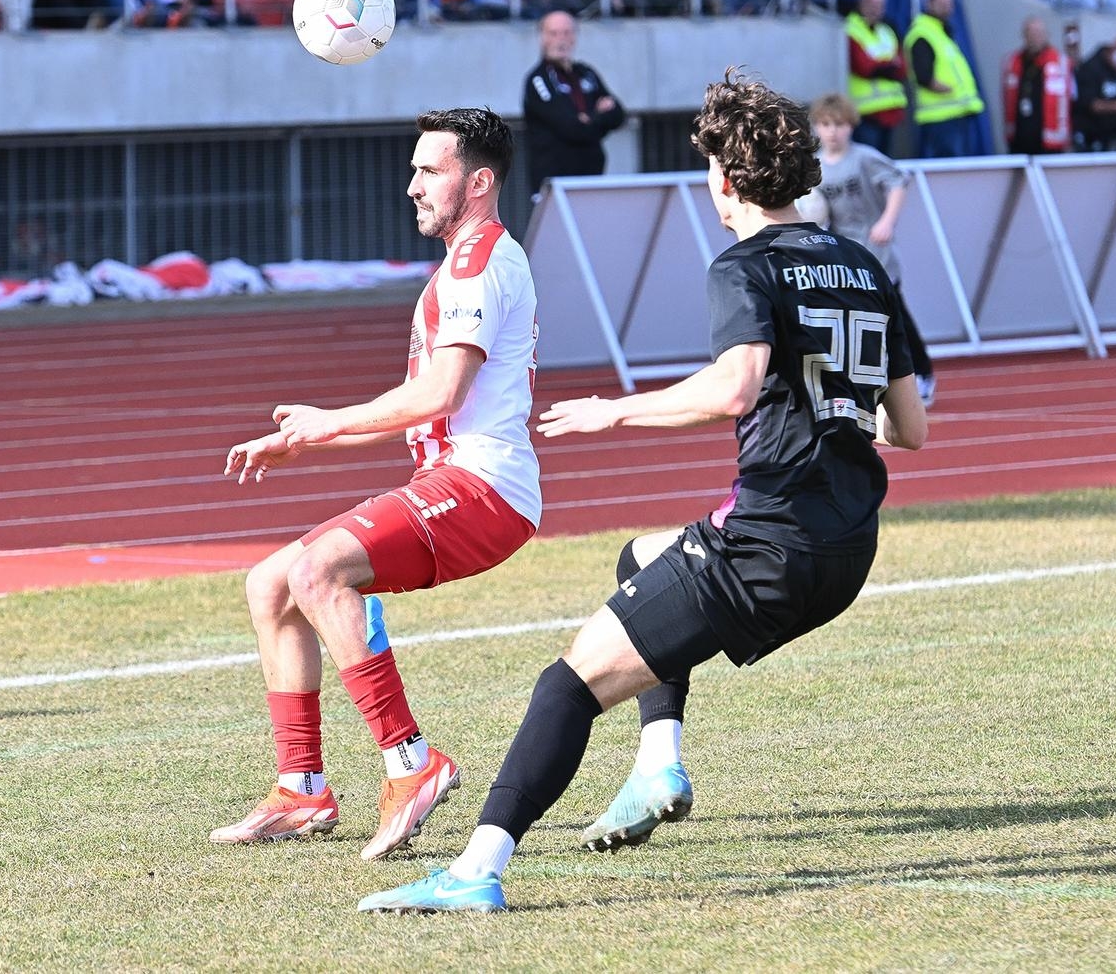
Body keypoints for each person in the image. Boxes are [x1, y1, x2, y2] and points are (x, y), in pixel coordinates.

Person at [358, 69, 928, 914]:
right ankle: (658, 762)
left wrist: (613, 411)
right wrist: (831, 407)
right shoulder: (862, 265)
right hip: (849, 549)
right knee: (642, 557)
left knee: (565, 687)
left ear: (726, 179)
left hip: (771, 543)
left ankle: (475, 872)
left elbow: (735, 387)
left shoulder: (744, 266)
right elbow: (908, 428)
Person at [210, 107, 542, 863]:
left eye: (430, 171)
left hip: (486, 487)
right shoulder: (465, 262)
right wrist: (308, 438)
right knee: (271, 585)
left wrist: (328, 422)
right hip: (456, 479)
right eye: (414, 170)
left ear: (478, 182)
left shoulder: (479, 263)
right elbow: (421, 405)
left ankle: (411, 763)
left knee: (316, 572)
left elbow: (442, 393)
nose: (412, 186)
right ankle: (301, 788)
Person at [810, 93, 936, 406]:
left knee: (893, 314)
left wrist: (887, 221)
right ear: (816, 127)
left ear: (851, 126)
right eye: (826, 124)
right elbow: (809, 206)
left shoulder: (864, 158)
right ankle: (857, 382)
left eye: (839, 124)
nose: (832, 131)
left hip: (875, 249)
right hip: (842, 252)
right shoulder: (813, 166)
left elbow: (898, 181)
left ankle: (922, 372)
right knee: (848, 317)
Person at [522, 9, 625, 200]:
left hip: (592, 181)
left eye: (567, 32)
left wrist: (588, 119)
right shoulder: (539, 80)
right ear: (542, 38)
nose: (561, 39)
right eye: (554, 33)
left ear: (575, 37)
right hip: (554, 186)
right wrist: (597, 115)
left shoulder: (586, 73)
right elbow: (571, 127)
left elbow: (618, 115)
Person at [902, 0, 985, 158]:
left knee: (962, 165)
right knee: (950, 165)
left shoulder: (941, 31)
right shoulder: (922, 33)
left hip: (957, 113)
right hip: (940, 116)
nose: (946, 7)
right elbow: (922, 75)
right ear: (928, 3)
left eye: (949, 3)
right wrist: (946, 89)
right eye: (941, 3)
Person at [843, 0, 907, 155]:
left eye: (880, 5)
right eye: (871, 4)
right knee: (868, 160)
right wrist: (889, 64)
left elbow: (903, 69)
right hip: (865, 112)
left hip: (890, 110)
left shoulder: (886, 31)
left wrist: (881, 65)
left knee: (885, 161)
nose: (875, 9)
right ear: (861, 4)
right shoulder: (850, 29)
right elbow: (864, 67)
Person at [1002, 15, 1072, 155]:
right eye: (1031, 33)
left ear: (1046, 35)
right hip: (1020, 137)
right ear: (1024, 35)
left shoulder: (1060, 62)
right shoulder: (1013, 62)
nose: (1035, 38)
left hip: (1050, 141)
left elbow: (1073, 99)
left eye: (1039, 33)